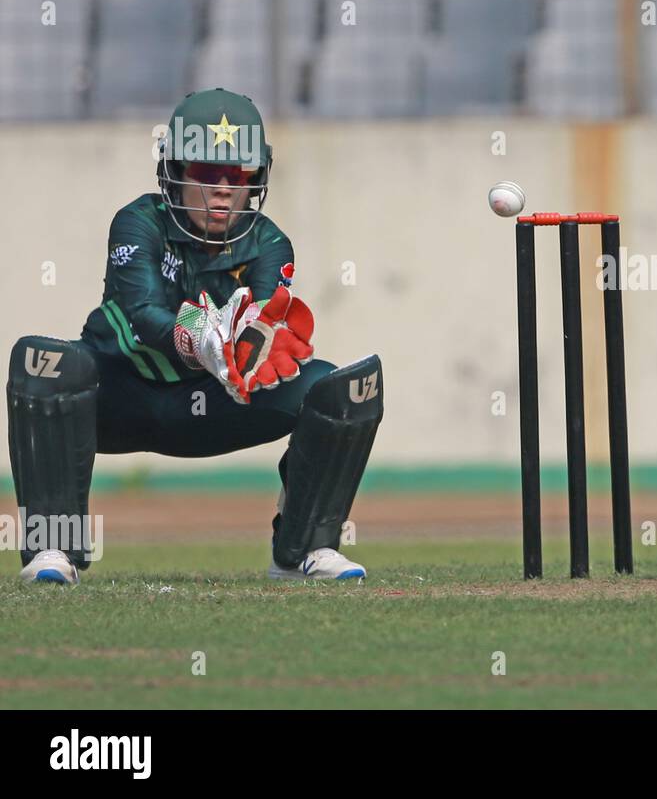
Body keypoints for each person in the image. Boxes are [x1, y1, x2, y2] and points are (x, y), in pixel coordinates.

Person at [8, 87, 383, 584]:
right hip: (117, 397)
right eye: (208, 173)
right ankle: (52, 550)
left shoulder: (270, 243)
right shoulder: (138, 222)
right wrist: (201, 337)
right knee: (43, 364)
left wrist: (249, 353)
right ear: (176, 174)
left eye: (239, 175)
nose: (224, 188)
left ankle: (303, 551)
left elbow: (260, 327)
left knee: (339, 388)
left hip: (214, 400)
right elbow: (140, 312)